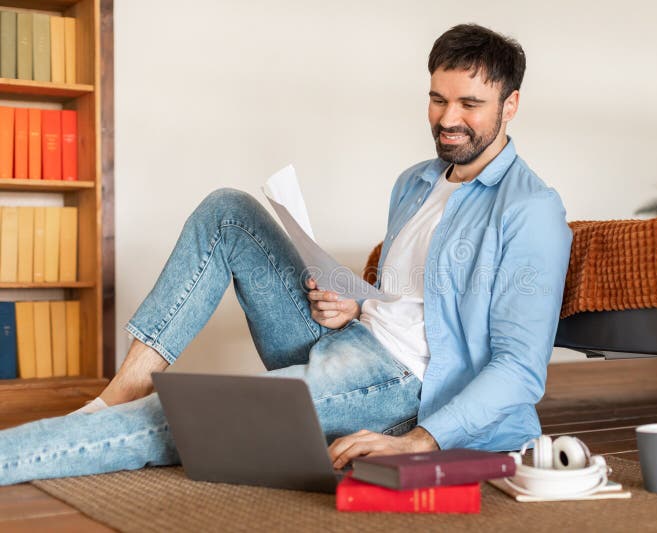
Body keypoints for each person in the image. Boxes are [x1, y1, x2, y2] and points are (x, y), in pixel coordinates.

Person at [0, 23, 571, 485]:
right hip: (352, 340)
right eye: (437, 99)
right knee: (228, 211)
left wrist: (418, 441)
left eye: (470, 104)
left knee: (181, 419)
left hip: (405, 390)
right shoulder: (416, 182)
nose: (448, 119)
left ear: (511, 104)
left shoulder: (531, 210)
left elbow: (520, 371)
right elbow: (413, 299)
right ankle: (128, 381)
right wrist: (354, 305)